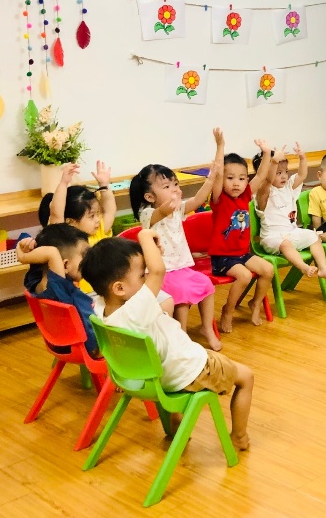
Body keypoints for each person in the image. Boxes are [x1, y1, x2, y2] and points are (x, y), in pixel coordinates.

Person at [82, 231, 254, 451]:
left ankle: (176, 424)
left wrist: (146, 259)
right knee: (246, 377)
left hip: (152, 379)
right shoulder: (134, 312)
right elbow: (158, 271)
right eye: (142, 276)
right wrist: (145, 235)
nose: (147, 279)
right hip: (187, 371)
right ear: (119, 288)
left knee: (197, 356)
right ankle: (239, 437)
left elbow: (148, 272)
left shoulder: (101, 308)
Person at [130, 162, 219, 350]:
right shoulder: (147, 214)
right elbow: (163, 211)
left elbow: (198, 200)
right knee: (182, 293)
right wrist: (172, 202)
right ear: (149, 197)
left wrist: (211, 179)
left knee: (207, 285)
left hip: (181, 268)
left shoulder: (178, 209)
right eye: (167, 187)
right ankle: (181, 335)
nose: (174, 189)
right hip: (161, 272)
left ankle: (207, 328)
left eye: (176, 184)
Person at [209, 128, 276, 332]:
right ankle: (227, 311)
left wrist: (266, 153)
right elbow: (217, 174)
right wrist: (220, 146)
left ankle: (255, 303)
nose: (236, 183)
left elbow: (262, 175)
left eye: (241, 178)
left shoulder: (245, 195)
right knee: (245, 276)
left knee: (268, 270)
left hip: (242, 254)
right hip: (223, 258)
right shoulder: (219, 199)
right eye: (230, 178)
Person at [253, 142, 326, 282]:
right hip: (272, 238)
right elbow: (268, 180)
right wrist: (274, 161)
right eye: (278, 173)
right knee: (285, 244)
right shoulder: (263, 192)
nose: (284, 176)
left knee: (314, 236)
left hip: (291, 233)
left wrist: (302, 158)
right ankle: (303, 267)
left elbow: (302, 174)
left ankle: (323, 269)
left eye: (285, 172)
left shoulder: (288, 187)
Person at [38, 161, 116, 295]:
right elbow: (56, 213)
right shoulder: (65, 239)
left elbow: (110, 210)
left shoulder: (99, 231)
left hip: (107, 291)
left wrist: (104, 186)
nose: (98, 220)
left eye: (97, 214)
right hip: (83, 295)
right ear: (71, 222)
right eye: (91, 216)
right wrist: (63, 183)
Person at [16, 223, 96, 356]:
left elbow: (44, 258)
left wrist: (23, 245)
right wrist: (22, 257)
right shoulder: (58, 288)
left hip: (63, 344)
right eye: (84, 256)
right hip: (90, 348)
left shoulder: (37, 283)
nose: (89, 261)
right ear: (64, 265)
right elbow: (52, 253)